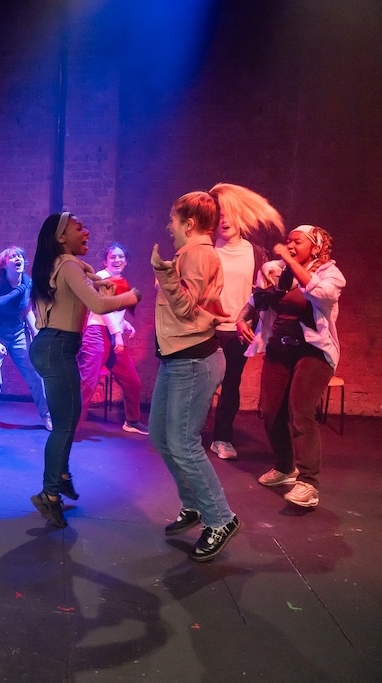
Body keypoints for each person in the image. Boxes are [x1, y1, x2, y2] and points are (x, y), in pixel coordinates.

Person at [28, 213, 140, 528]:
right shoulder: (68, 265)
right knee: (64, 426)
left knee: (70, 419)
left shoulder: (67, 266)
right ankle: (49, 493)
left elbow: (92, 292)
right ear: (61, 238)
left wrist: (104, 284)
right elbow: (100, 305)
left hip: (56, 347)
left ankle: (61, 477)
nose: (86, 231)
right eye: (79, 227)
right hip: (56, 347)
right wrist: (132, 297)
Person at [149, 191, 240, 562]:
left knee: (184, 443)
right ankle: (195, 505)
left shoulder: (199, 253)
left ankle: (221, 518)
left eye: (172, 220)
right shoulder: (190, 254)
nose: (168, 227)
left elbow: (187, 309)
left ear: (188, 224)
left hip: (194, 361)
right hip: (177, 359)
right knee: (160, 435)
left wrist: (163, 271)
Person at [238, 225, 344, 508]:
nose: (290, 245)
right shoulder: (275, 270)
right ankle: (285, 467)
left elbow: (319, 294)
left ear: (316, 247)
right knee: (270, 411)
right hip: (279, 348)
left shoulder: (330, 274)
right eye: (288, 241)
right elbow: (256, 299)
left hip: (314, 352)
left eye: (297, 242)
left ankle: (309, 484)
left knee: (301, 412)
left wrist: (292, 261)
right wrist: (242, 319)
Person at [206, 183, 278, 460]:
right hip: (207, 330)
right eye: (219, 216)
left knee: (231, 384)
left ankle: (222, 438)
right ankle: (188, 434)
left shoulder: (256, 253)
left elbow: (262, 294)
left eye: (229, 215)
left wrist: (250, 320)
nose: (224, 221)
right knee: (202, 384)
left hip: (239, 330)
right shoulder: (206, 251)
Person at [0, 246, 50, 434]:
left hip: (18, 332)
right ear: (4, 264)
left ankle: (47, 416)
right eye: (13, 256)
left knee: (36, 375)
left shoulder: (27, 282)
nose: (18, 258)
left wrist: (36, 336)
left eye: (20, 256)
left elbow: (27, 311)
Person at [76, 242, 147, 434]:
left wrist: (124, 324)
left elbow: (114, 311)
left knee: (132, 382)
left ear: (126, 260)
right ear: (105, 261)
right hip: (97, 335)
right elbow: (102, 308)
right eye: (112, 257)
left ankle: (132, 421)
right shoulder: (101, 277)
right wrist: (117, 334)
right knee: (87, 384)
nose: (117, 260)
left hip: (111, 333)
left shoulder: (121, 281)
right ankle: (69, 427)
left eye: (120, 257)